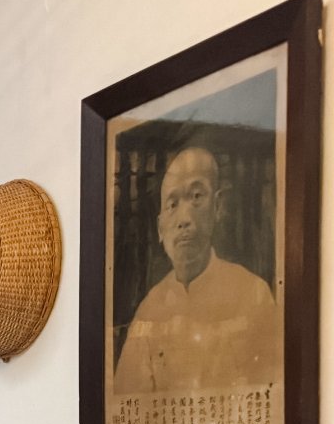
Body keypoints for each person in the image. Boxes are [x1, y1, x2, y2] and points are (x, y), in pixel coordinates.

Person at [112, 146, 280, 395]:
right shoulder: (149, 310)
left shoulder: (253, 294)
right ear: (160, 228)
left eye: (196, 196)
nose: (184, 218)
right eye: (172, 204)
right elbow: (128, 405)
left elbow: (273, 401)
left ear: (218, 206)